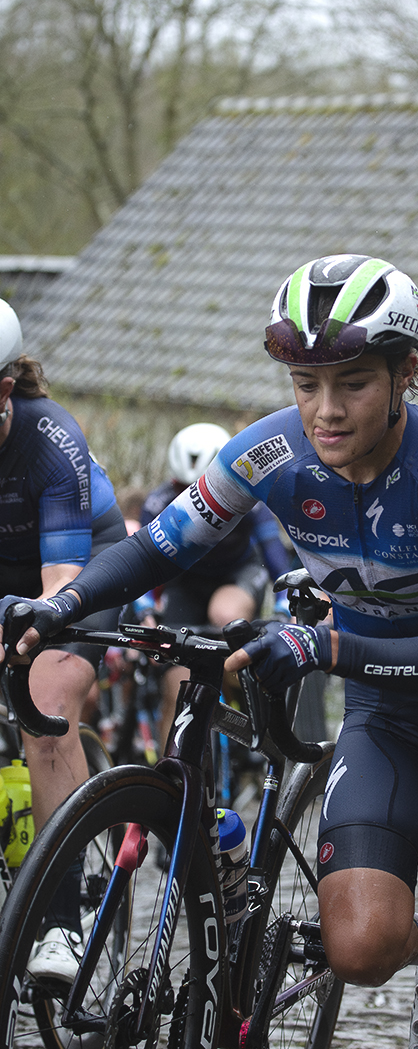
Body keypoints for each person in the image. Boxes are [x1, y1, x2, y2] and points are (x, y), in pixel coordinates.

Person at [0, 254, 418, 1049]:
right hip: (388, 713)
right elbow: (159, 550)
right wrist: (62, 605)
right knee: (359, 950)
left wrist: (320, 641)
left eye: (353, 382)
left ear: (406, 375)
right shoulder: (267, 452)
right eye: (305, 385)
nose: (324, 411)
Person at [0, 298, 126, 980]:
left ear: (4, 391)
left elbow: (57, 585)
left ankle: (60, 925)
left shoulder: (52, 439)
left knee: (44, 696)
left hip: (79, 567)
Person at [138, 422, 291, 746]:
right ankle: (173, 781)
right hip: (188, 583)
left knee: (224, 614)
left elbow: (275, 557)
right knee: (176, 687)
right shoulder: (157, 501)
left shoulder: (250, 502)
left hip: (237, 575)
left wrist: (284, 603)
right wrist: (146, 608)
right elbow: (143, 562)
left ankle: (247, 695)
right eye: (183, 488)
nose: (198, 502)